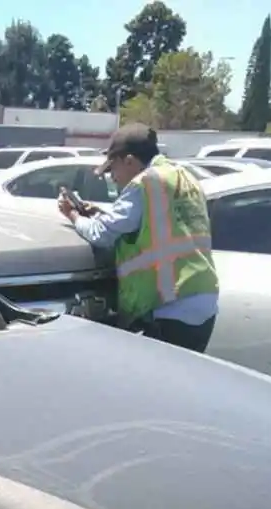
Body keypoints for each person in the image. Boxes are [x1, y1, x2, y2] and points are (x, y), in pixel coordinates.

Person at [58, 124, 220, 353]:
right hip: (202, 300)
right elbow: (159, 226)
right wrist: (100, 214)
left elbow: (100, 234)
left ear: (130, 161)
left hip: (170, 306)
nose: (112, 178)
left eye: (112, 168)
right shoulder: (183, 177)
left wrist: (72, 215)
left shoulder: (144, 183)